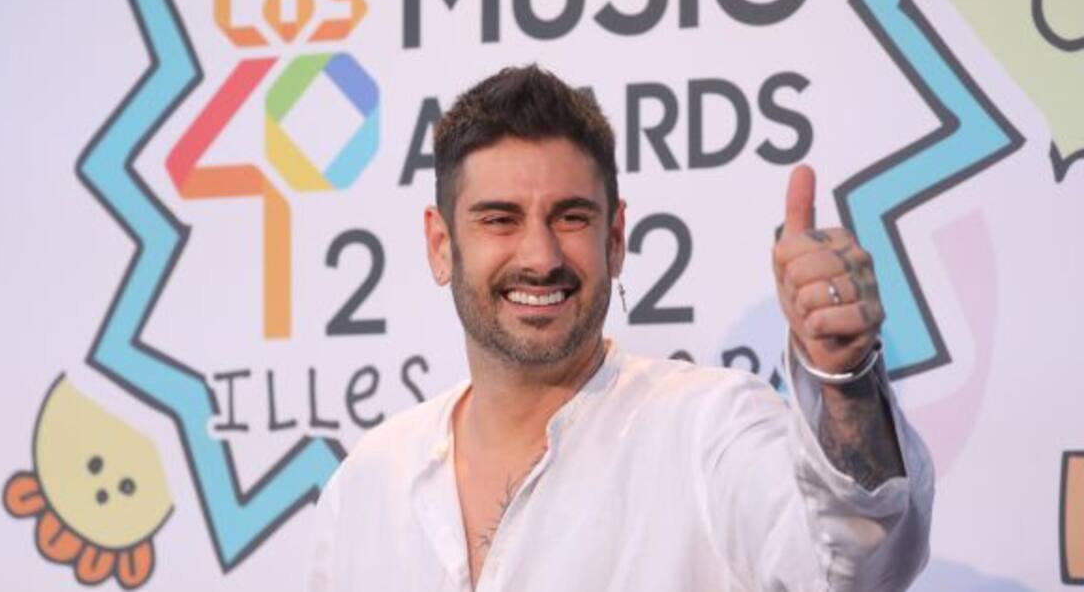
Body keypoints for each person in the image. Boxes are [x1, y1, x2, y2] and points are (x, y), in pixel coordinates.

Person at [304, 65, 933, 591]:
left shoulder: (708, 430)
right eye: (499, 219)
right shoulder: (367, 485)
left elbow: (851, 566)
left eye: (571, 217)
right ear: (441, 245)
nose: (541, 257)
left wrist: (844, 380)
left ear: (615, 238)